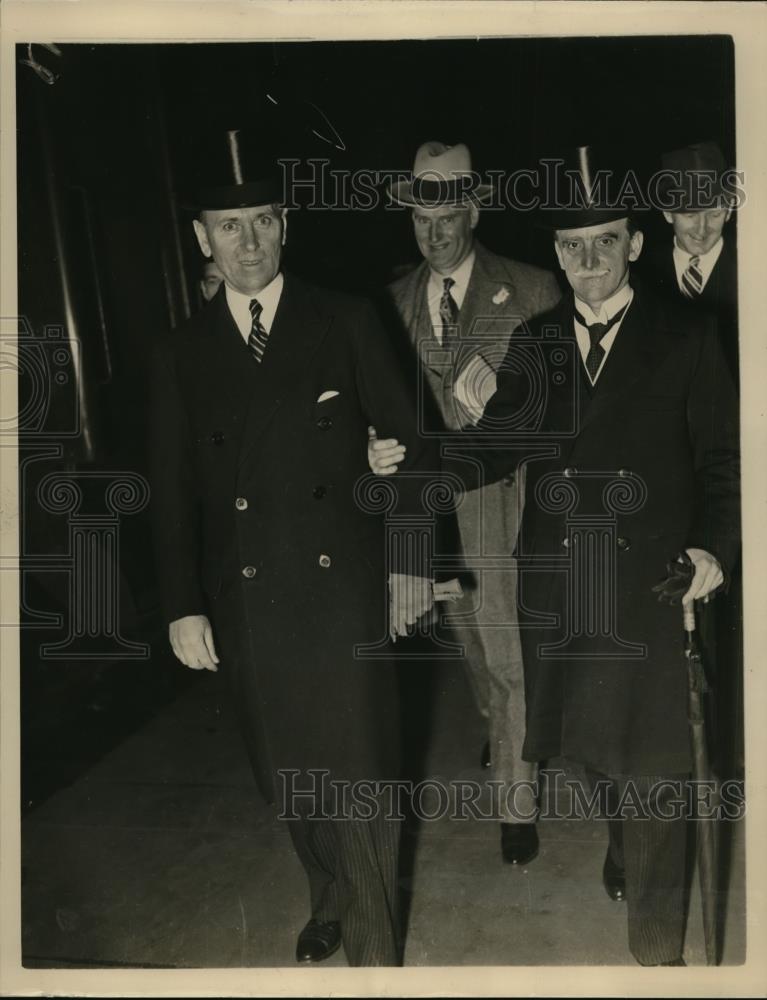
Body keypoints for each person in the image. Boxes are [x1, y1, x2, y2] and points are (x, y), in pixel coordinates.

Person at [370, 146, 740, 966]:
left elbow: (726, 464)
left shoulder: (689, 336)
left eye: (604, 242)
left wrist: (712, 550)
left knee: (653, 776)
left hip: (652, 586)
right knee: (589, 755)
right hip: (560, 586)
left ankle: (658, 963)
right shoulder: (539, 341)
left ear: (634, 245)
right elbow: (493, 445)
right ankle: (620, 838)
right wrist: (408, 467)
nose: (587, 261)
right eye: (571, 246)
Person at [149, 129, 436, 967]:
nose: (247, 243)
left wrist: (412, 563)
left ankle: (375, 961)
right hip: (245, 604)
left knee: (362, 778)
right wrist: (181, 606)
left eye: (262, 222)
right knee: (288, 775)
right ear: (201, 238)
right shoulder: (178, 352)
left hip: (341, 588)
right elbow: (170, 494)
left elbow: (411, 446)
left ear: (286, 227)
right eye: (227, 226)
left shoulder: (344, 318)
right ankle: (330, 893)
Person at [378, 140, 561, 866]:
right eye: (422, 217)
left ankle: (516, 802)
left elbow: (559, 408)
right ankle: (504, 729)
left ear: (473, 211)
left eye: (449, 214)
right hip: (428, 505)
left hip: (502, 500)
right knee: (468, 645)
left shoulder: (533, 289)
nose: (435, 231)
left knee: (509, 650)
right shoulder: (389, 305)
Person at [642, 140, 738, 382]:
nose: (702, 229)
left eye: (714, 213)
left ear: (728, 211)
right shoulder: (640, 273)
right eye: (689, 214)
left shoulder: (753, 268)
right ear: (667, 213)